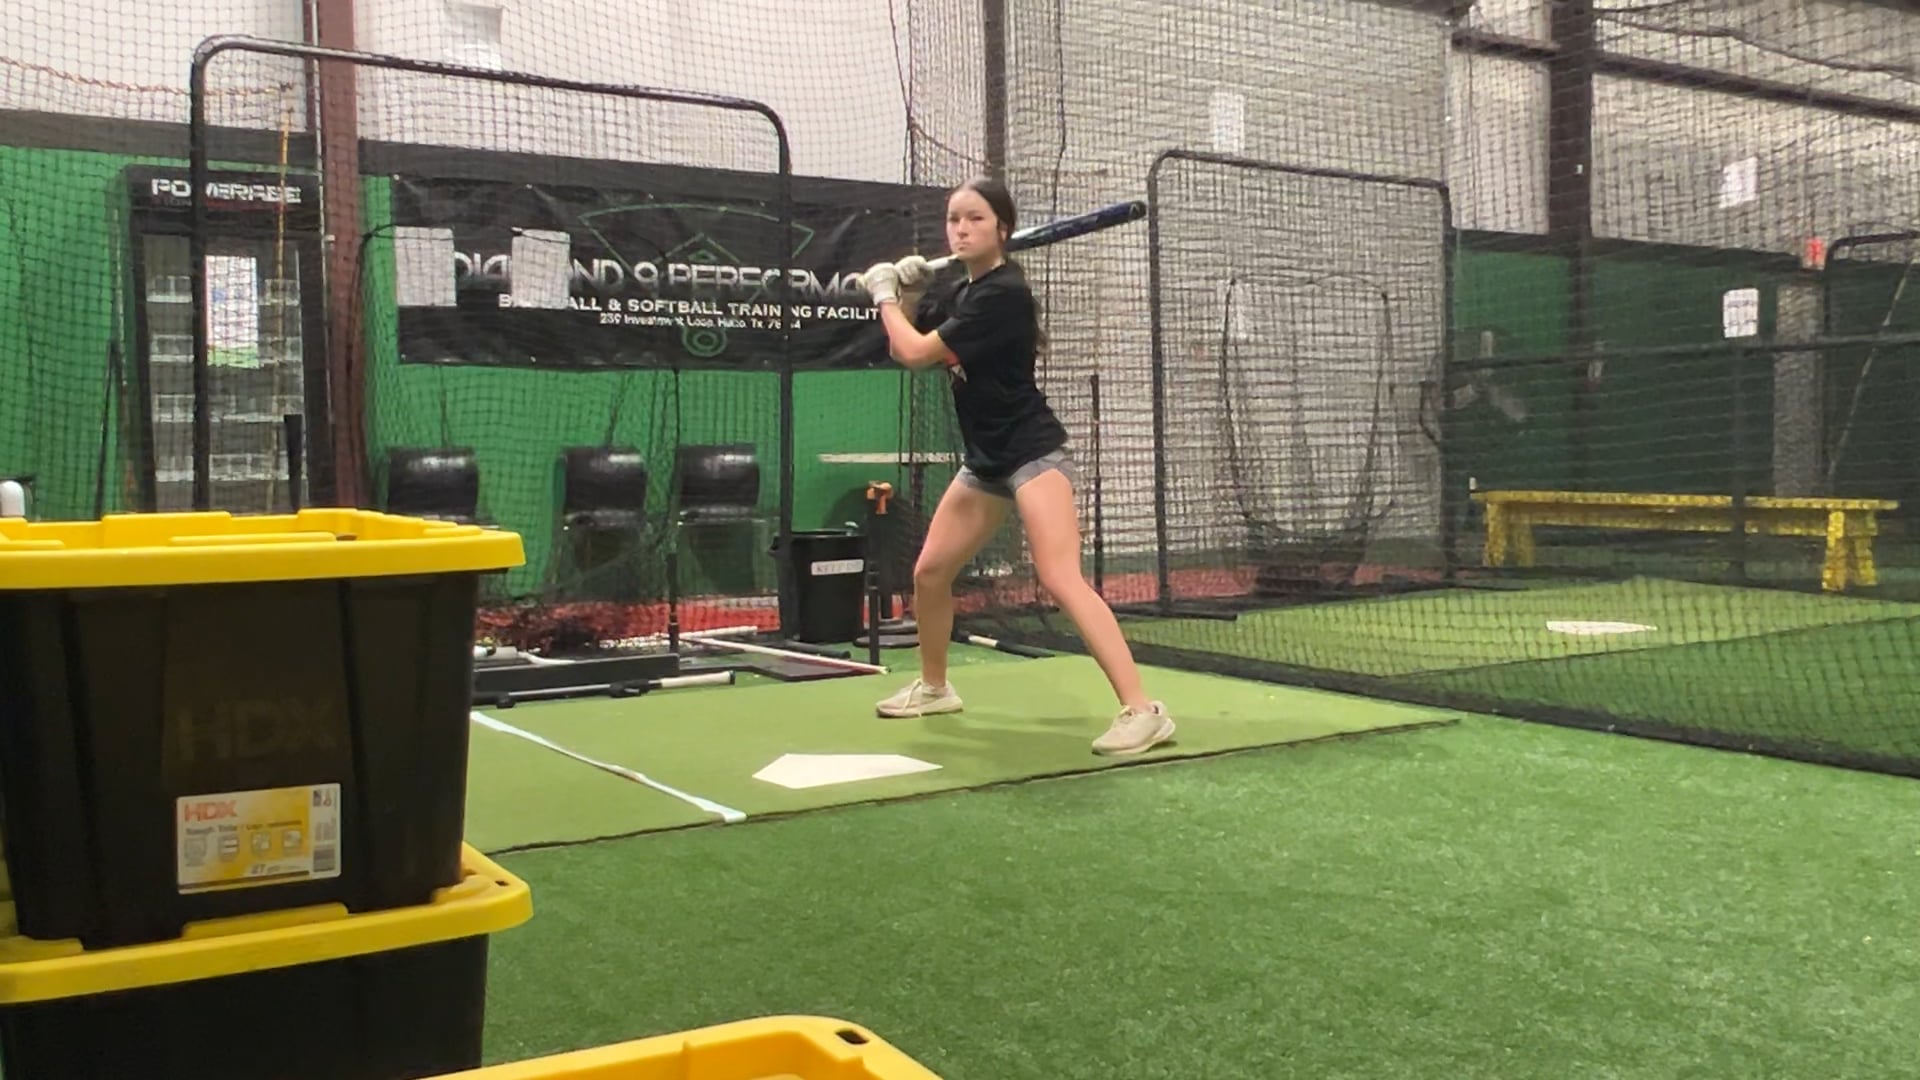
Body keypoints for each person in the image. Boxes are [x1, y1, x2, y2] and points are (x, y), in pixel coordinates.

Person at [857, 177, 1175, 756]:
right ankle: (935, 687)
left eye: (975, 218)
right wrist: (909, 296)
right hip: (986, 461)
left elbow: (915, 352)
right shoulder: (964, 292)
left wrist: (883, 296)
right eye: (954, 219)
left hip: (1031, 452)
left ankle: (1143, 710)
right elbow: (910, 343)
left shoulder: (1002, 294)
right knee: (930, 573)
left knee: (1060, 577)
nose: (961, 229)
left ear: (1002, 228)